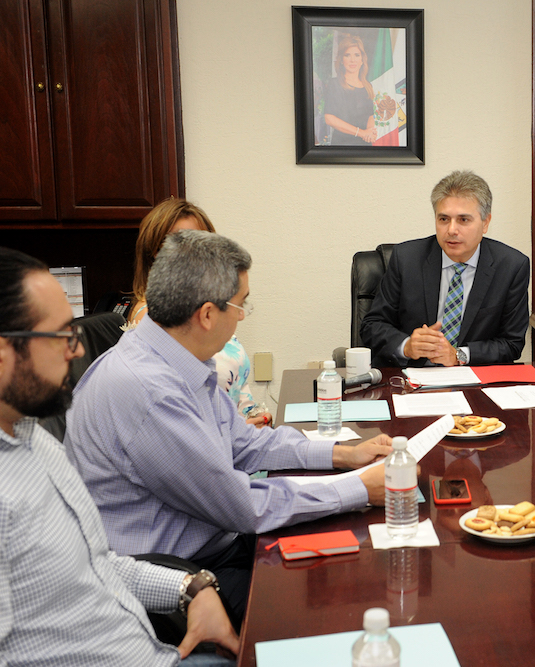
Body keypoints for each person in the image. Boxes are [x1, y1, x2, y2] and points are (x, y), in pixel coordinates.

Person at [65, 231, 392, 626]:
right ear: (206, 314)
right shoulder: (148, 390)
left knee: (355, 564)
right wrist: (358, 488)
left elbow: (245, 444)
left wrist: (342, 454)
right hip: (172, 581)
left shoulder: (179, 357)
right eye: (241, 305)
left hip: (213, 544)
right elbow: (241, 505)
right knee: (327, 607)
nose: (242, 316)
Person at [0, 247, 238, 666]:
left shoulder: (36, 439)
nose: (76, 351)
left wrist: (190, 588)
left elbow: (97, 563)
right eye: (62, 336)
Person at [360, 170, 530, 367]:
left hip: (473, 380)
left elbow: (512, 343)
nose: (451, 230)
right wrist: (407, 346)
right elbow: (372, 325)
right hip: (410, 378)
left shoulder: (511, 267)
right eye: (443, 219)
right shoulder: (406, 259)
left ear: (485, 223)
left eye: (463, 220)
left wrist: (459, 355)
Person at [131, 197, 270, 427]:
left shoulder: (209, 307)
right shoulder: (151, 318)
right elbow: (174, 418)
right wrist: (240, 433)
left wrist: (257, 417)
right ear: (157, 253)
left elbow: (236, 385)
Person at [323, 34, 376, 145]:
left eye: (357, 55)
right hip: (342, 146)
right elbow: (329, 118)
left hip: (365, 145)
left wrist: (370, 132)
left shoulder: (368, 86)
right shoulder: (334, 84)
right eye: (347, 55)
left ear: (362, 59)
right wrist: (361, 133)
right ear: (341, 60)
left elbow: (371, 115)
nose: (353, 60)